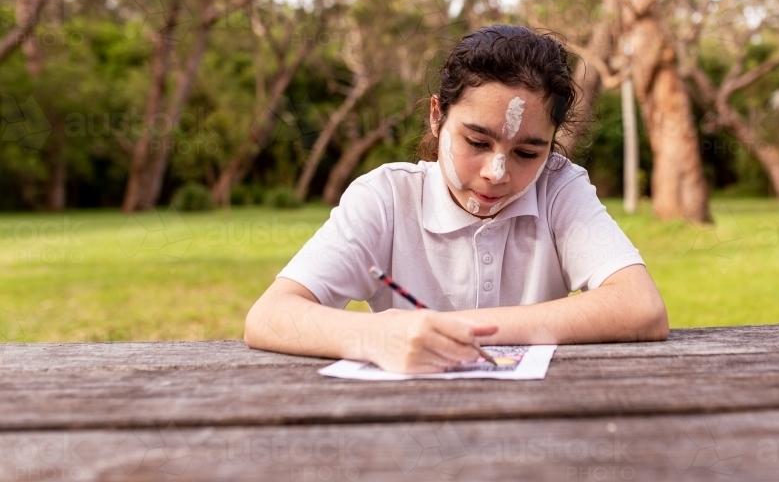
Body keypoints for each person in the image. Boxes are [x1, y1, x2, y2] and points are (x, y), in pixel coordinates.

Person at [244, 24, 669, 373]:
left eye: (527, 153)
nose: (496, 174)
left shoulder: (558, 187)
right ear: (436, 116)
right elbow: (270, 316)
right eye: (476, 141)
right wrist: (373, 335)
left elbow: (640, 307)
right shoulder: (386, 196)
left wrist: (447, 328)